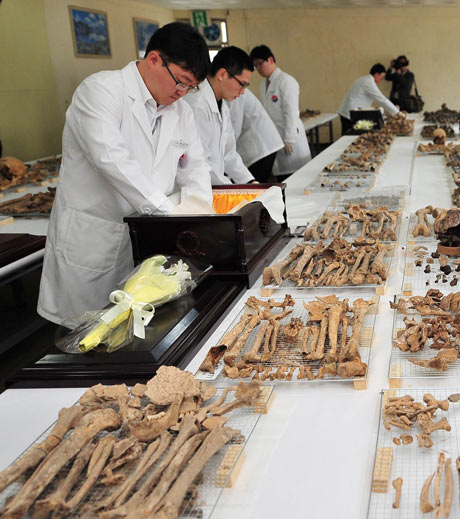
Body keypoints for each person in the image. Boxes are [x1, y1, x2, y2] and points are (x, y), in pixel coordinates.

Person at [38, 22, 213, 325]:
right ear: (155, 59)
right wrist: (171, 215)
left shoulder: (181, 111)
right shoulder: (101, 91)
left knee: (138, 334)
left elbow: (195, 166)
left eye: (190, 88)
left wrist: (202, 218)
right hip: (96, 238)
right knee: (86, 335)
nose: (182, 93)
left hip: (147, 239)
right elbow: (112, 160)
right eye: (181, 82)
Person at [185, 46, 254, 185]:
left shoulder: (222, 104)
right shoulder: (197, 105)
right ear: (222, 74)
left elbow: (229, 154)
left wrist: (250, 182)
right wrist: (233, 190)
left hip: (214, 185)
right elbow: (200, 162)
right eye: (242, 84)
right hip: (196, 187)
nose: (242, 92)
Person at [250, 45, 311, 181]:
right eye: (255, 66)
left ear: (271, 60)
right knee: (283, 180)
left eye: (260, 64)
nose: (258, 69)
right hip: (276, 138)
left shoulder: (287, 81)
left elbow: (291, 112)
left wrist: (289, 138)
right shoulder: (262, 85)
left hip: (290, 139)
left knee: (296, 179)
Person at [227, 88, 283, 183]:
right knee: (254, 186)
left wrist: (225, 149)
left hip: (260, 148)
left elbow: (234, 127)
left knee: (254, 189)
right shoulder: (234, 90)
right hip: (262, 145)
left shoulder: (236, 93)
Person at [337, 64, 400, 133]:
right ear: (376, 74)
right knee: (348, 138)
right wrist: (396, 113)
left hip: (350, 112)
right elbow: (381, 99)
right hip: (349, 114)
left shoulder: (365, 79)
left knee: (350, 136)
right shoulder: (368, 82)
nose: (380, 80)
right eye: (381, 78)